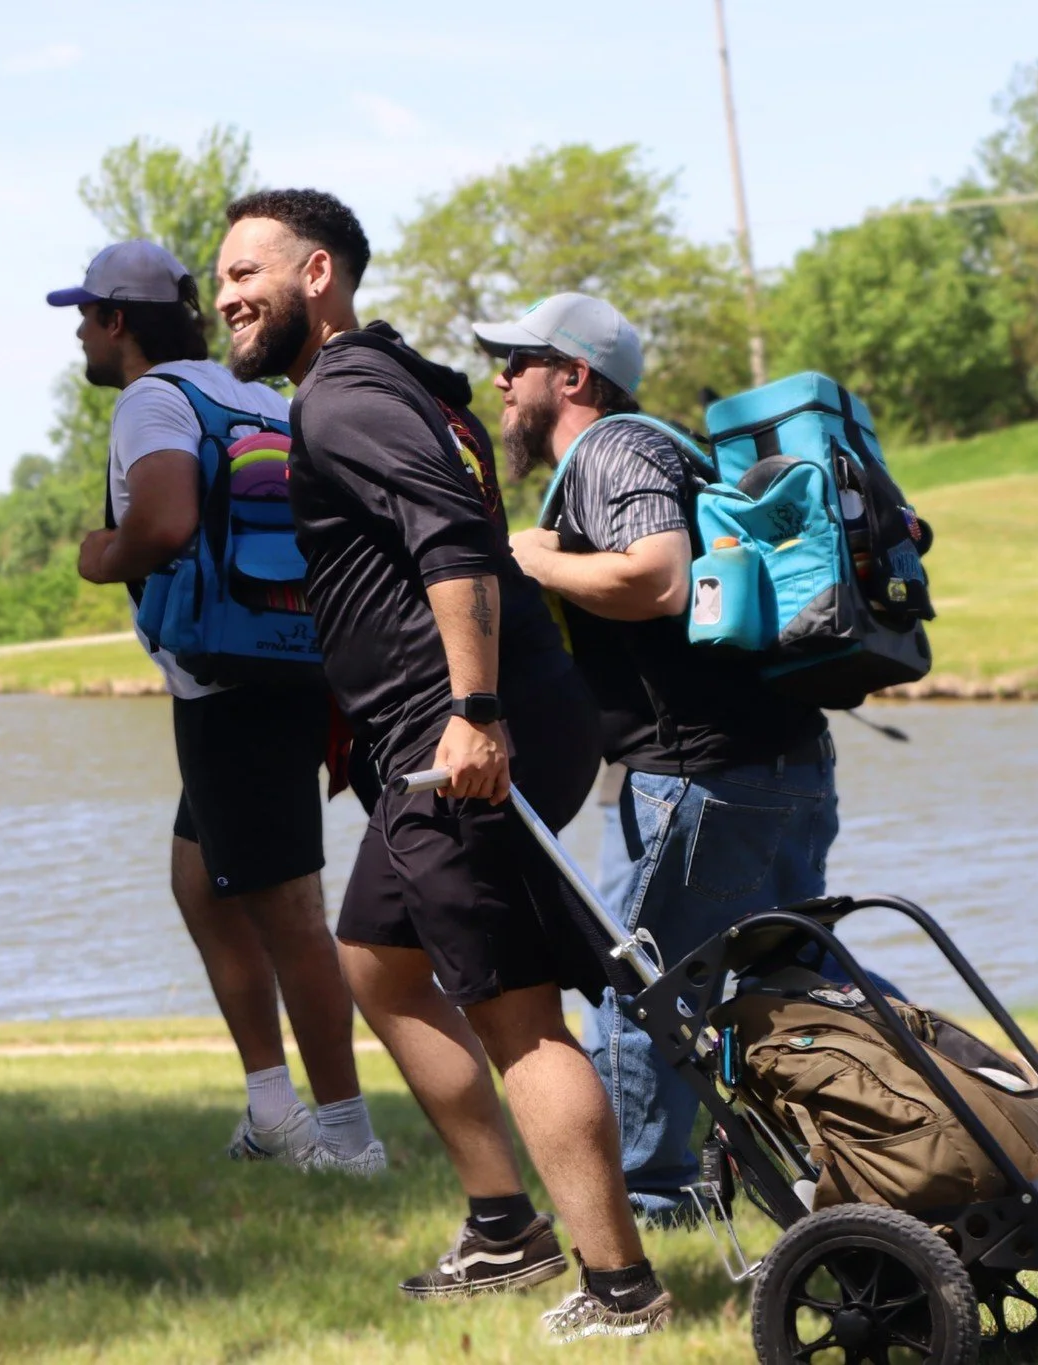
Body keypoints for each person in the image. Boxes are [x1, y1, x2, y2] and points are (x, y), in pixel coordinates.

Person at [214, 190, 671, 1342]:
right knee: (375, 958)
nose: (224, 297)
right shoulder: (391, 385)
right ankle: (502, 1223)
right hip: (461, 724)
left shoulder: (347, 397)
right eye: (218, 279)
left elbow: (453, 545)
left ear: (316, 274)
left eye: (245, 273)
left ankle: (620, 1289)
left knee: (515, 1011)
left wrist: (472, 712)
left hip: (462, 735)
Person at [480, 292, 839, 1227]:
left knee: (636, 991)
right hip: (785, 766)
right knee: (789, 990)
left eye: (516, 362)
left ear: (574, 376)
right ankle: (887, 1150)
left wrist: (530, 559)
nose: (500, 382)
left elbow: (658, 576)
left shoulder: (612, 450)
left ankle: (644, 1206)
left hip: (698, 780)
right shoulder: (670, 448)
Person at [51, 241, 383, 1173]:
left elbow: (164, 523)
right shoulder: (254, 396)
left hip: (230, 690)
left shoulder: (151, 401)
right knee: (200, 884)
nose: (79, 334)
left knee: (291, 915)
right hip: (278, 669)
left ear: (118, 319)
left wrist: (102, 555)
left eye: (85, 316)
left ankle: (349, 1138)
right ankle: (273, 1110)